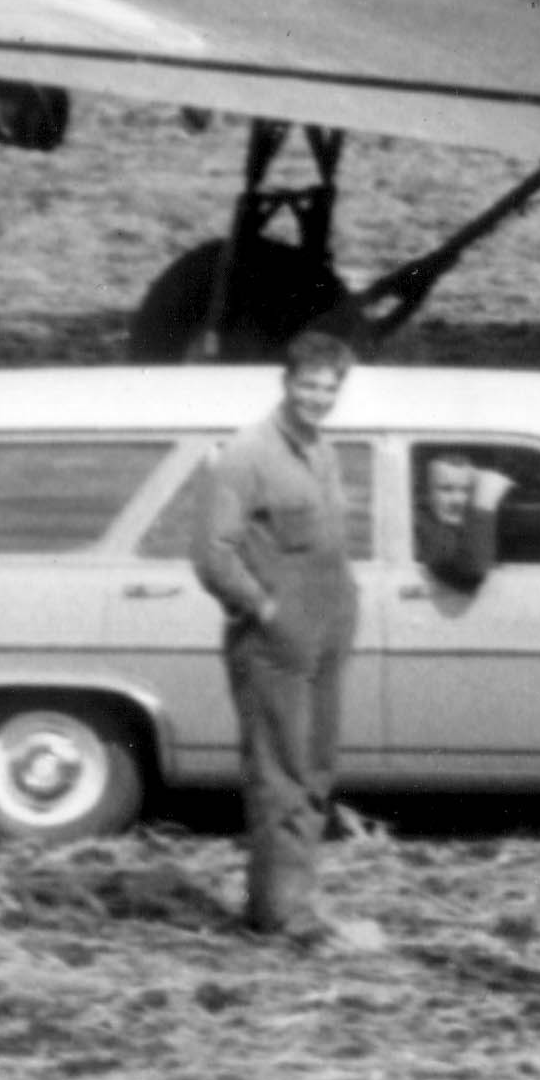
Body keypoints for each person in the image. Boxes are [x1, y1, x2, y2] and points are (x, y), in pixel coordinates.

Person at [190, 325, 365, 942]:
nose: (318, 397)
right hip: (274, 644)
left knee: (315, 770)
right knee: (279, 774)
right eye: (308, 384)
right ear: (286, 382)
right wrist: (263, 609)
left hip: (326, 632)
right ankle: (279, 914)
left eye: (329, 387)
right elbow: (214, 554)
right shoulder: (248, 453)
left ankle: (295, 902)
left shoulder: (322, 449)